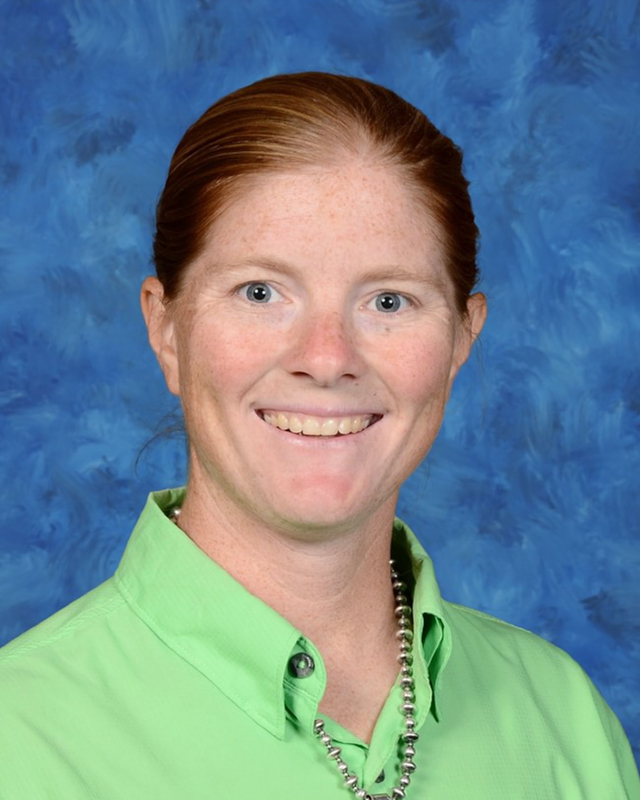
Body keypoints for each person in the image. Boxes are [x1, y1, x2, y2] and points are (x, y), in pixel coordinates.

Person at [0, 72, 637, 800]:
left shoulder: (562, 717)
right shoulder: (19, 737)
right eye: (261, 292)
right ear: (166, 328)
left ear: (464, 336)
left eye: (388, 300)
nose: (328, 359)